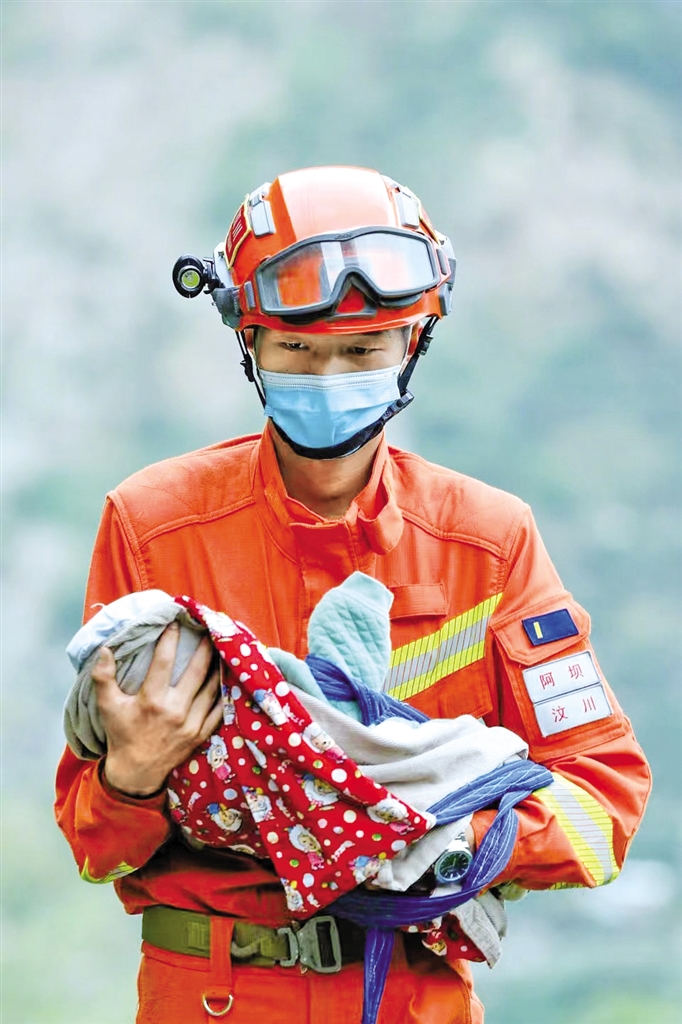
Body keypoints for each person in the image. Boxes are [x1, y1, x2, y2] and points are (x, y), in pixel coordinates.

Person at [55, 165, 651, 1024]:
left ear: (412, 344)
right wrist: (133, 774)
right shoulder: (153, 528)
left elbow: (605, 808)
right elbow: (93, 849)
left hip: (410, 995)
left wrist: (442, 835)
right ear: (250, 343)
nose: (330, 374)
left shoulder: (489, 542)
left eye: (363, 350)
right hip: (209, 996)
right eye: (298, 350)